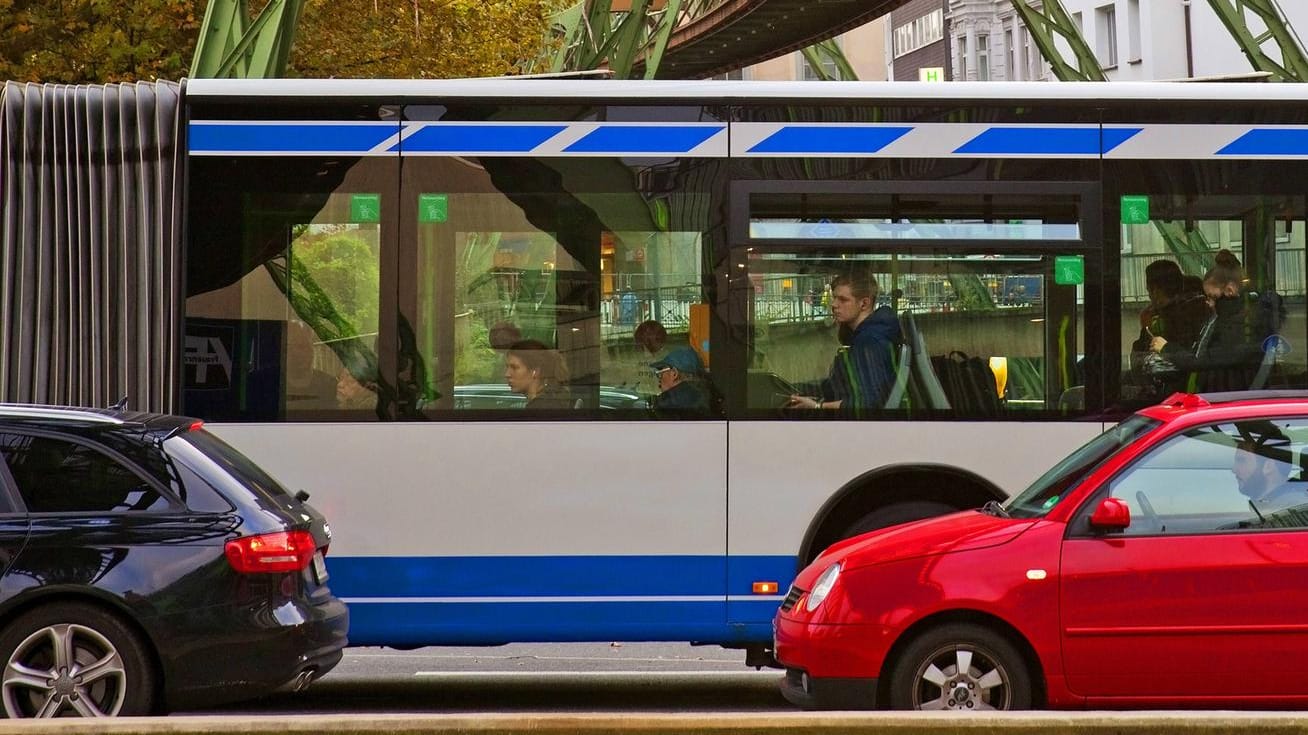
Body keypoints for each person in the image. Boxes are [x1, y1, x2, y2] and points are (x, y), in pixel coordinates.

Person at [1148, 249, 1281, 393]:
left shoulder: (1243, 325)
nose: (1208, 303)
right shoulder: (1223, 319)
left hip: (1230, 398)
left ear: (1229, 290)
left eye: (1212, 297)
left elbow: (1207, 361)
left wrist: (1167, 348)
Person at [786, 273, 901, 415]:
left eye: (843, 299)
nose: (834, 304)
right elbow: (839, 386)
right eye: (834, 297)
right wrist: (796, 389)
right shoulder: (871, 333)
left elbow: (866, 404)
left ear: (864, 303)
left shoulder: (869, 341)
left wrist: (817, 406)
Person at [1130, 259, 1212, 397]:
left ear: (1155, 291)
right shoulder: (1200, 311)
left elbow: (1151, 363)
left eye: (1149, 290)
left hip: (1176, 393)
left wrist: (1147, 333)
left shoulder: (1172, 318)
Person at [284, 320, 337, 410]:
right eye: (297, 345)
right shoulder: (269, 385)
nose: (306, 351)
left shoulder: (329, 386)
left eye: (307, 345)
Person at [504, 339, 573, 409]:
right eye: (507, 367)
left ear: (535, 371)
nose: (507, 374)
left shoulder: (540, 408)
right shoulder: (548, 402)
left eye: (514, 368)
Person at [650, 347, 710, 414]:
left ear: (674, 373)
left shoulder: (667, 404)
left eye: (661, 373)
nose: (659, 379)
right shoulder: (709, 399)